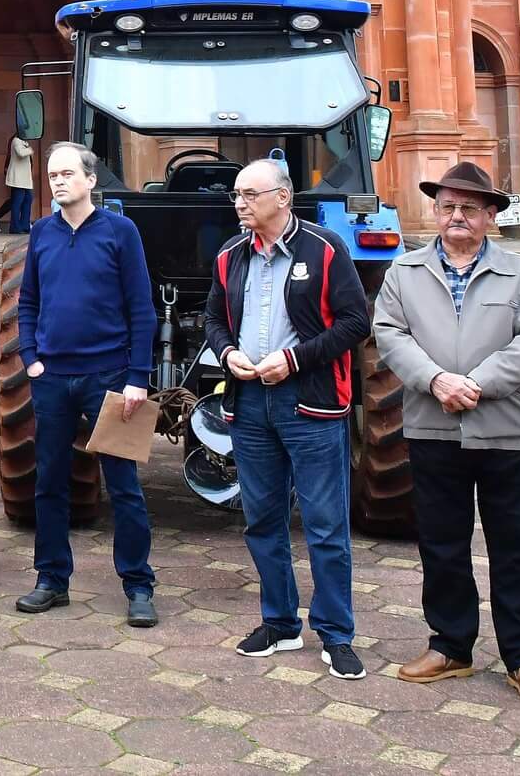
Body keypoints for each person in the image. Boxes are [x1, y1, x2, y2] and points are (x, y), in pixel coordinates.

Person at [373, 162, 520, 707]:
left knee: (516, 548)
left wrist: (475, 383)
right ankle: (451, 645)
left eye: (470, 208)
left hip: (505, 433)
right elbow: (390, 334)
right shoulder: (404, 272)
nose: (457, 216)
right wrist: (435, 380)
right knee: (442, 544)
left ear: (492, 216)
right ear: (436, 211)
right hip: (432, 429)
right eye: (448, 206)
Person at [205, 157, 370, 679]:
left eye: (249, 195)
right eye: (236, 195)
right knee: (263, 522)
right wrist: (227, 353)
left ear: (282, 196)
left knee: (324, 525)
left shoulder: (324, 249)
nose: (239, 203)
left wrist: (295, 360)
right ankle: (279, 622)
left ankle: (336, 633)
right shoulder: (231, 254)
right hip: (249, 404)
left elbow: (355, 322)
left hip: (311, 403)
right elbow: (212, 317)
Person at [14, 141, 160, 628]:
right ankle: (51, 580)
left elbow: (142, 308)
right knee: (49, 483)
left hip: (111, 378)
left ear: (91, 180)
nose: (57, 181)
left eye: (67, 173)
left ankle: (138, 585)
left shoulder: (122, 232)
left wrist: (138, 377)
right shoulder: (40, 233)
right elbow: (28, 300)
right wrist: (31, 359)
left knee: (124, 487)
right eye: (52, 175)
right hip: (52, 378)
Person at [0, 132, 33, 233]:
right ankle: (15, 227)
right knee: (16, 202)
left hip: (25, 179)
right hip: (17, 178)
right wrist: (30, 150)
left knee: (26, 200)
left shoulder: (23, 142)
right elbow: (21, 153)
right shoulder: (16, 140)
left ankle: (24, 225)